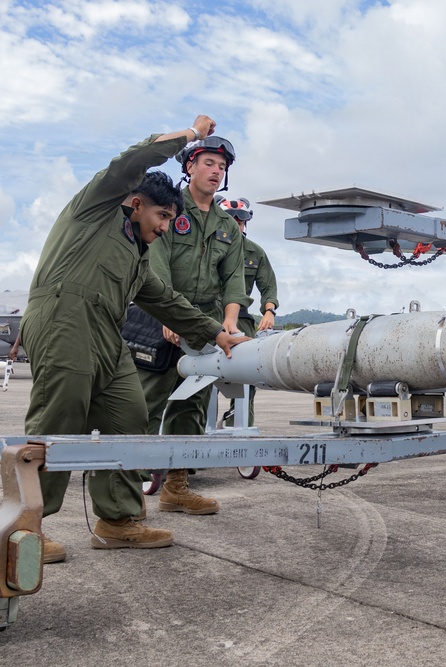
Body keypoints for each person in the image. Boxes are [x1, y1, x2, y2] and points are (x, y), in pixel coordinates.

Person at [19, 116, 245, 563]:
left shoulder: (137, 257)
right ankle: (23, 529)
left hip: (106, 333)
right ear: (136, 202)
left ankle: (118, 521)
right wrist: (191, 135)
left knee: (130, 412)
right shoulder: (97, 207)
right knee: (57, 422)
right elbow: (133, 160)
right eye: (162, 216)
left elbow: (166, 299)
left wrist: (218, 334)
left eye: (171, 220)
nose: (165, 227)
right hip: (63, 317)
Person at [137, 134, 249, 516]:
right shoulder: (169, 208)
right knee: (145, 404)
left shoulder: (227, 227)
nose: (216, 171)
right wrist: (170, 315)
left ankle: (177, 487)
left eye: (222, 167)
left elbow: (234, 279)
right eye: (208, 163)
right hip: (158, 315)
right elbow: (156, 261)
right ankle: (123, 494)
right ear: (190, 167)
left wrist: (229, 322)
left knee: (192, 408)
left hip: (204, 326)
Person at [218, 196, 279, 426]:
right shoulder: (206, 247)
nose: (236, 224)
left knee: (246, 381)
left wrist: (269, 311)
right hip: (206, 315)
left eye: (240, 221)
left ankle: (240, 429)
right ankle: (195, 435)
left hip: (240, 321)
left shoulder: (254, 252)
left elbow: (268, 286)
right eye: (229, 219)